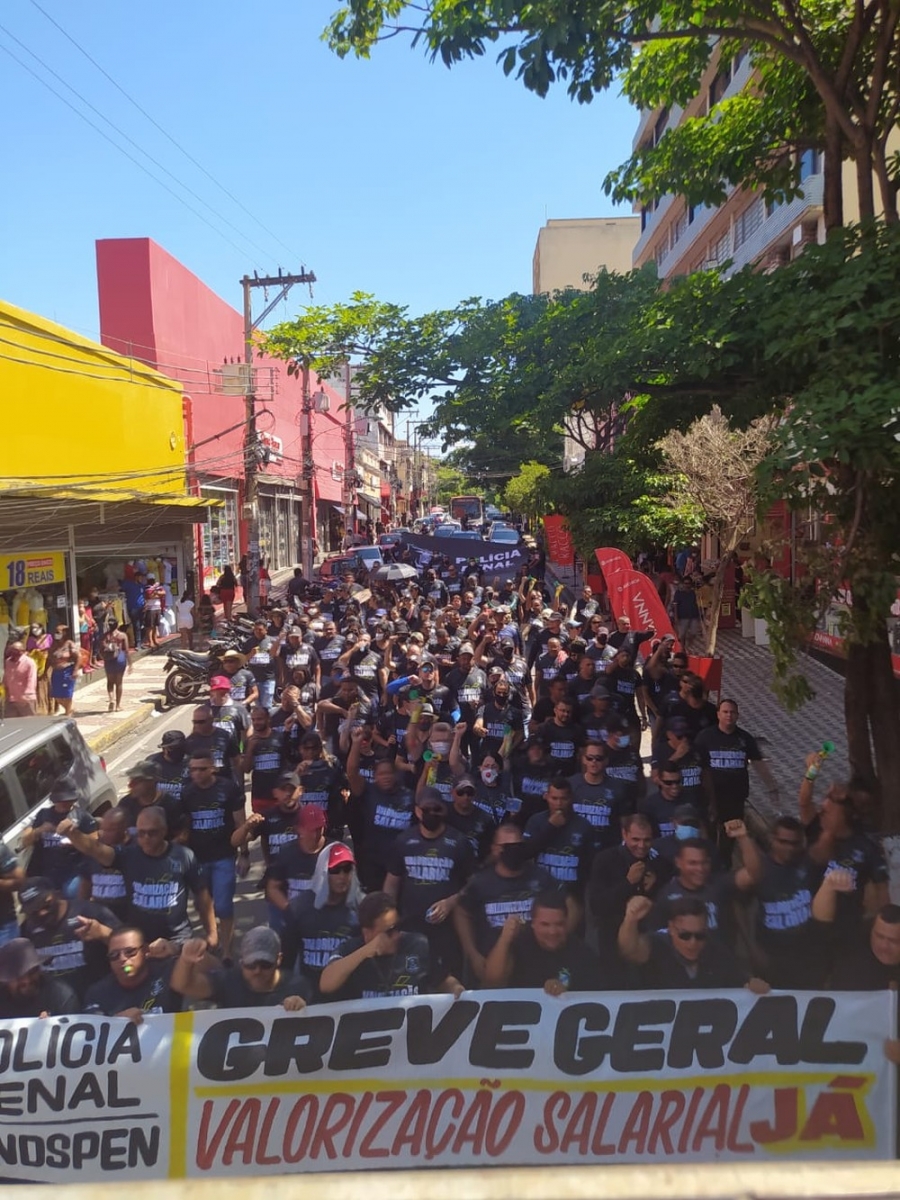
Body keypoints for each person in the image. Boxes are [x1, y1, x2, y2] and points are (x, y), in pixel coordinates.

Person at [60, 805, 217, 948]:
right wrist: (72, 833)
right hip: (139, 942)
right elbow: (96, 849)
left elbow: (203, 897)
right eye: (141, 833)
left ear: (164, 831)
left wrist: (212, 933)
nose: (146, 838)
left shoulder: (183, 856)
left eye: (152, 832)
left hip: (178, 940)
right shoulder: (128, 856)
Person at [319, 890, 462, 1000]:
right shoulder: (351, 949)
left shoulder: (418, 945)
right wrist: (365, 951)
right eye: (389, 931)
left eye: (398, 927)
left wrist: (456, 989)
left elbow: (442, 980)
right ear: (367, 933)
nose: (396, 935)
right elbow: (326, 984)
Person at [694, 699, 780, 863]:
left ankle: (725, 865)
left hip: (735, 798)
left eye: (732, 712)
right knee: (710, 836)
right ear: (718, 714)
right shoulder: (705, 737)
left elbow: (758, 763)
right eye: (725, 712)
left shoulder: (745, 738)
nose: (729, 715)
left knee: (730, 838)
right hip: (711, 797)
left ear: (737, 715)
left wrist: (772, 786)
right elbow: (698, 766)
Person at [618, 895, 763, 990]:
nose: (693, 943)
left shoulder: (717, 952)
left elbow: (741, 981)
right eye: (685, 935)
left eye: (700, 935)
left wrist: (753, 985)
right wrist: (630, 919)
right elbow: (629, 950)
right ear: (671, 928)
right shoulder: (656, 945)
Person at [180, 752, 245, 960]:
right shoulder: (187, 793)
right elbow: (184, 827)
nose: (196, 774)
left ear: (212, 769)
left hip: (223, 856)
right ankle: (212, 936)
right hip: (197, 858)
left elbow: (240, 823)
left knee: (223, 905)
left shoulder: (228, 788)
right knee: (203, 903)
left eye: (201, 769)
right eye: (192, 769)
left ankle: (227, 951)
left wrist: (244, 853)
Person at [484, 890, 615, 992]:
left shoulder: (582, 953)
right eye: (545, 924)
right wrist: (505, 939)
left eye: (559, 924)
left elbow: (595, 995)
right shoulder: (519, 944)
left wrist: (567, 991)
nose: (552, 932)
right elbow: (492, 981)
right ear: (533, 923)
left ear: (566, 922)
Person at [17, 877, 121, 1000]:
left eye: (45, 905)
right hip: (56, 1002)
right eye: (33, 911)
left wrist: (104, 934)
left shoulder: (90, 912)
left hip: (97, 997)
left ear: (57, 894)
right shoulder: (28, 929)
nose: (41, 913)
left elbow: (128, 946)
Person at [282, 842, 362, 996]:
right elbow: (287, 960)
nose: (342, 876)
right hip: (309, 998)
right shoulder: (298, 908)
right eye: (335, 870)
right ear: (322, 872)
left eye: (347, 869)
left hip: (349, 998)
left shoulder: (362, 908)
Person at [588, 814, 671, 955]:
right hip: (612, 935)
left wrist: (656, 886)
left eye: (647, 840)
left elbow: (668, 906)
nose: (641, 846)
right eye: (636, 839)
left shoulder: (662, 864)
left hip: (649, 937)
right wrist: (628, 883)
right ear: (624, 834)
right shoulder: (605, 860)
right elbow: (596, 906)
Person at [171, 926, 309, 1009]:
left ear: (278, 959)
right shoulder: (227, 981)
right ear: (241, 961)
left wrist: (302, 1008)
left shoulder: (297, 986)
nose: (257, 971)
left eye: (265, 964)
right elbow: (182, 985)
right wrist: (186, 961)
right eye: (251, 965)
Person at [813, 874, 900, 989]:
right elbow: (822, 925)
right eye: (879, 936)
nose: (884, 946)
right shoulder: (853, 942)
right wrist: (828, 887)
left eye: (893, 941)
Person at [83, 925, 182, 1018]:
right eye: (114, 955)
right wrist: (118, 1022)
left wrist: (176, 949)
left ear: (145, 951)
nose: (122, 959)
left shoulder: (169, 972)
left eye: (130, 952)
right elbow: (93, 1024)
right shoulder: (97, 993)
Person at [22, 780, 97, 895]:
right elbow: (25, 841)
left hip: (72, 871)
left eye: (68, 800)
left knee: (71, 891)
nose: (64, 803)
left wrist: (76, 841)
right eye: (61, 800)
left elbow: (95, 843)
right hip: (46, 871)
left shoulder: (81, 816)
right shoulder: (43, 815)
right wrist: (40, 830)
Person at [0, 937, 79, 1018]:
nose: (27, 981)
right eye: (19, 976)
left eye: (32, 972)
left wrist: (53, 1023)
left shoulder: (61, 997)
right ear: (5, 980)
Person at [47, 624, 81, 716]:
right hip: (56, 672)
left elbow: (78, 657)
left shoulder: (69, 644)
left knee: (67, 694)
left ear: (64, 633)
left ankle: (68, 713)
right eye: (55, 632)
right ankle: (70, 709)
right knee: (57, 695)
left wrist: (75, 671)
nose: (56, 634)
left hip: (67, 671)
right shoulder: (54, 645)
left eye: (58, 632)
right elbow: (49, 658)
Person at [99, 617, 131, 712]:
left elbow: (100, 649)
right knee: (119, 683)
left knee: (110, 681)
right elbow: (127, 650)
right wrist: (130, 663)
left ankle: (111, 699)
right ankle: (118, 706)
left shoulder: (105, 636)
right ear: (117, 625)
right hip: (120, 659)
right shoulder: (122, 635)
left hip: (109, 660)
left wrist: (103, 657)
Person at [4, 640, 38, 715]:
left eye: (15, 650)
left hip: (25, 699)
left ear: (22, 651)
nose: (13, 652)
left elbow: (31, 679)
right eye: (12, 649)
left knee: (28, 720)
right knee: (10, 720)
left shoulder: (29, 662)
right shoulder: (8, 662)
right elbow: (6, 677)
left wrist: (27, 696)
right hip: (11, 698)